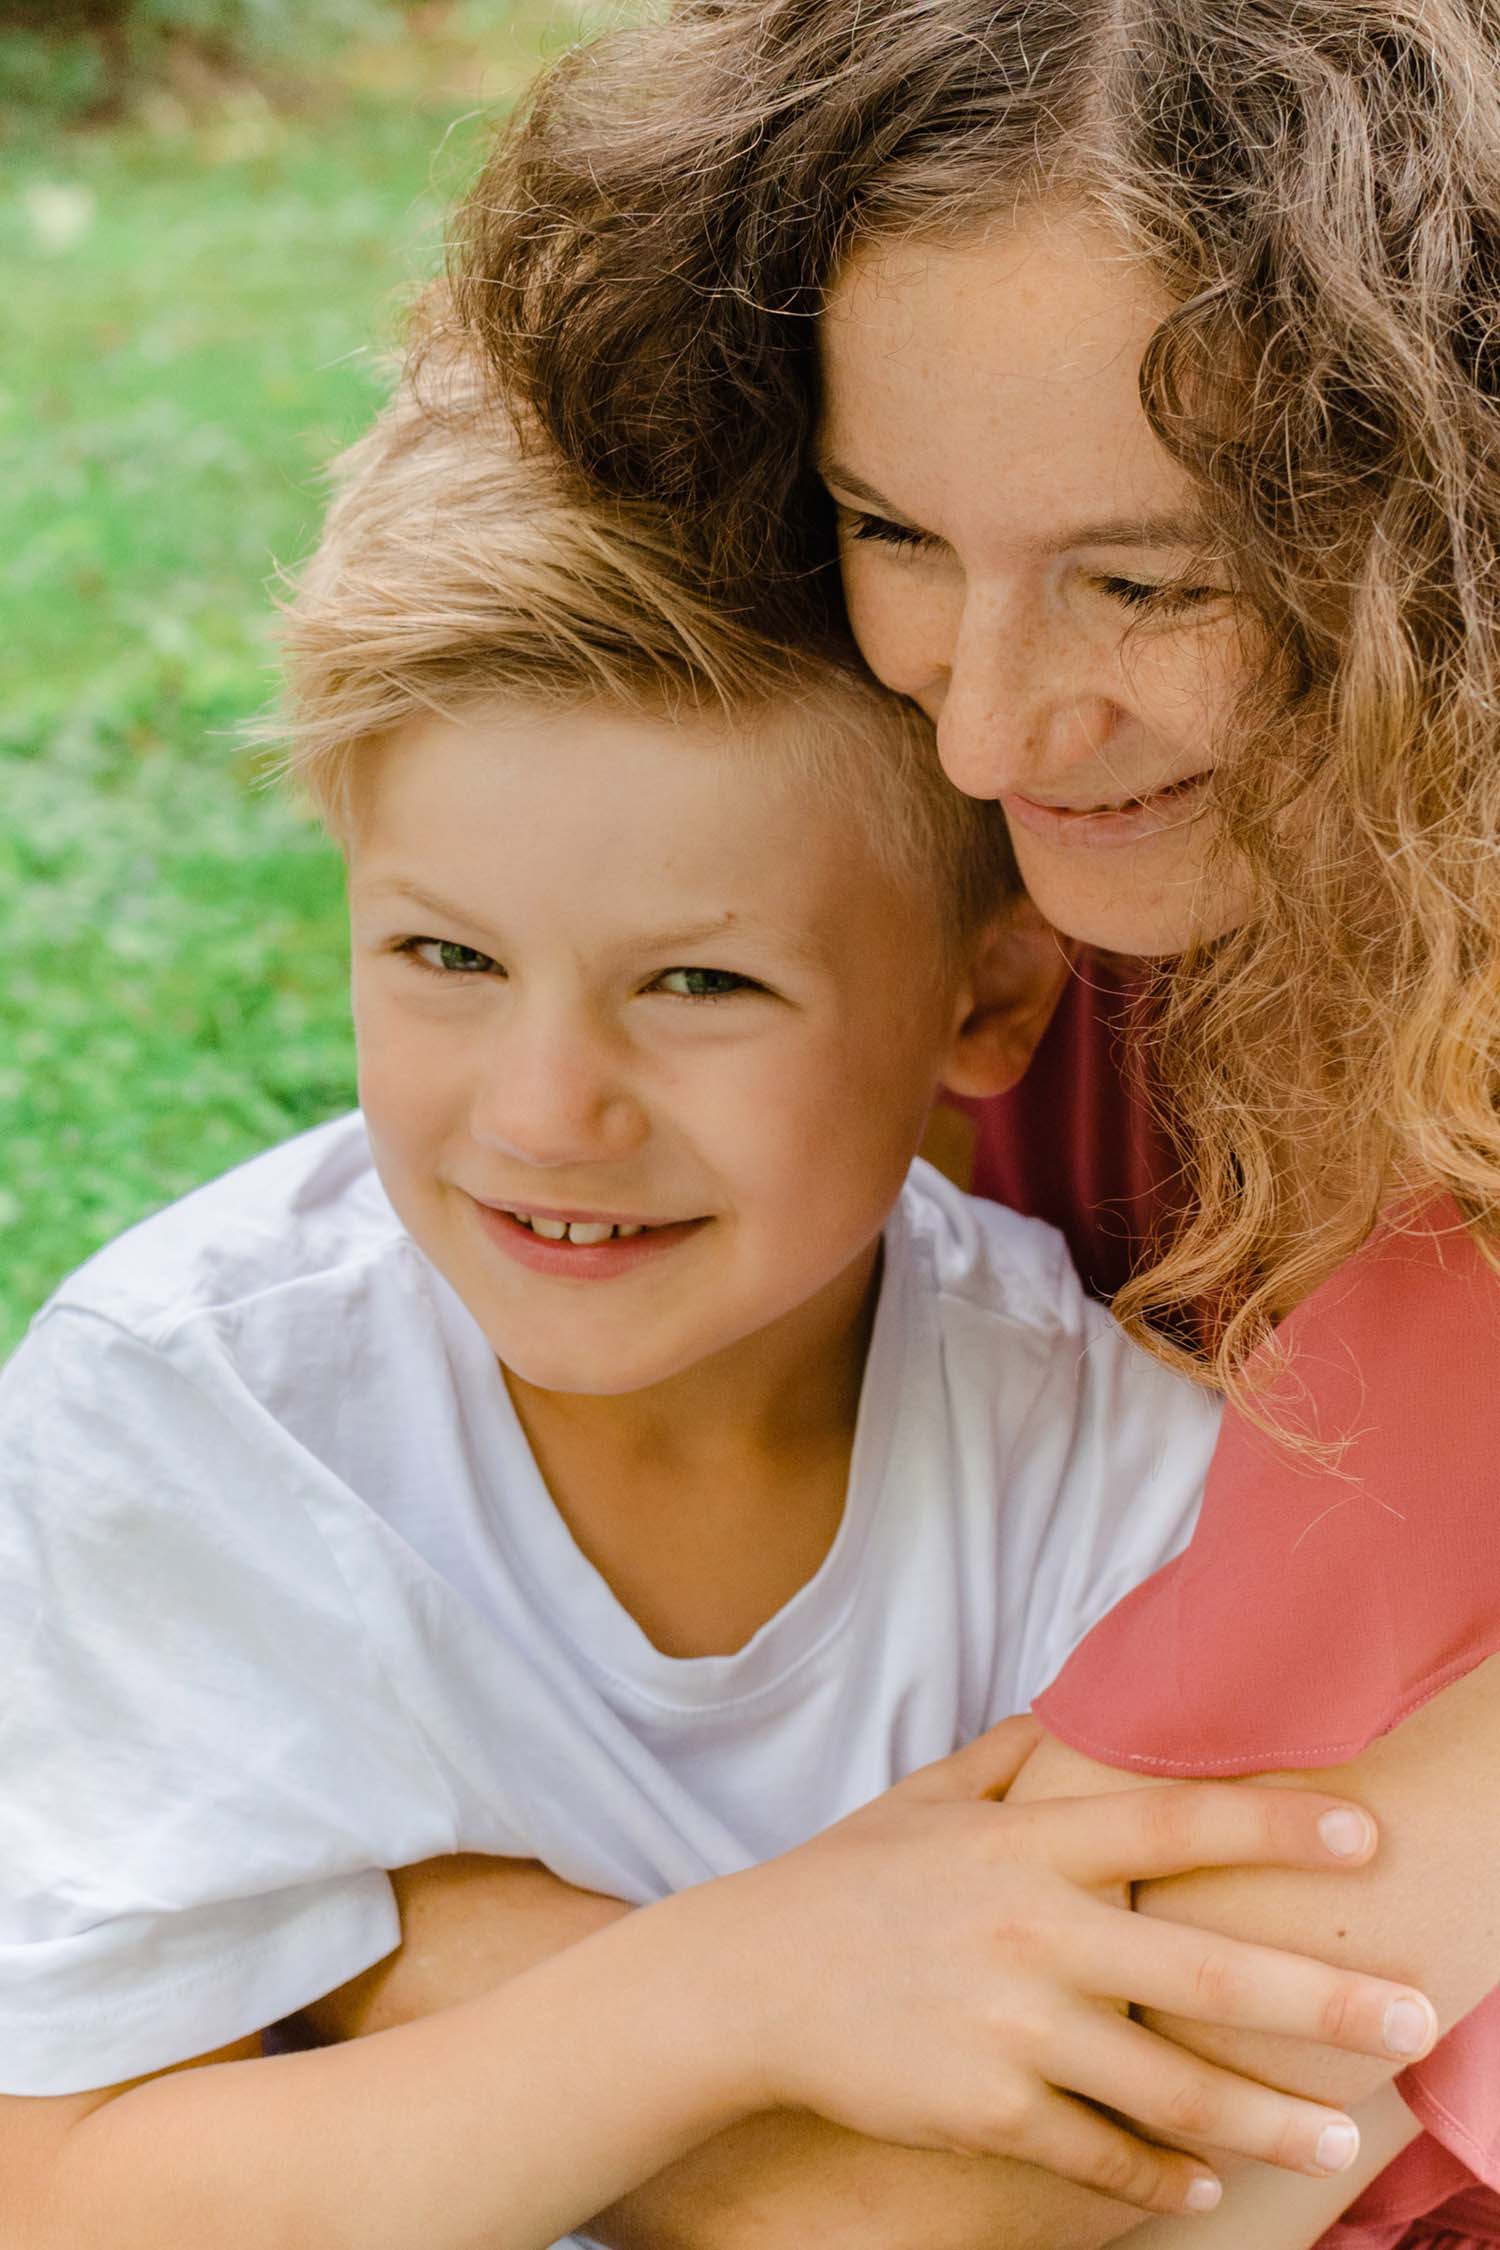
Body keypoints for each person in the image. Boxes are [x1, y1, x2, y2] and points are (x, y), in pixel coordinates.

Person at [0, 368, 1433, 2250]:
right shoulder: (187, 1418)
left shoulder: (1095, 1464)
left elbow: (1023, 2193)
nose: (544, 1112)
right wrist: (730, 1982)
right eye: (446, 953)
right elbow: (66, 2196)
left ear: (991, 1002)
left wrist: (390, 1951)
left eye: (699, 984)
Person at [304, 4, 1500, 2246]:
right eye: (893, 528)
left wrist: (383, 1917)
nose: (987, 731)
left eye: (1152, 578)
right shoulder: (1064, 901)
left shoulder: (1453, 1216)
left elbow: (958, 2198)